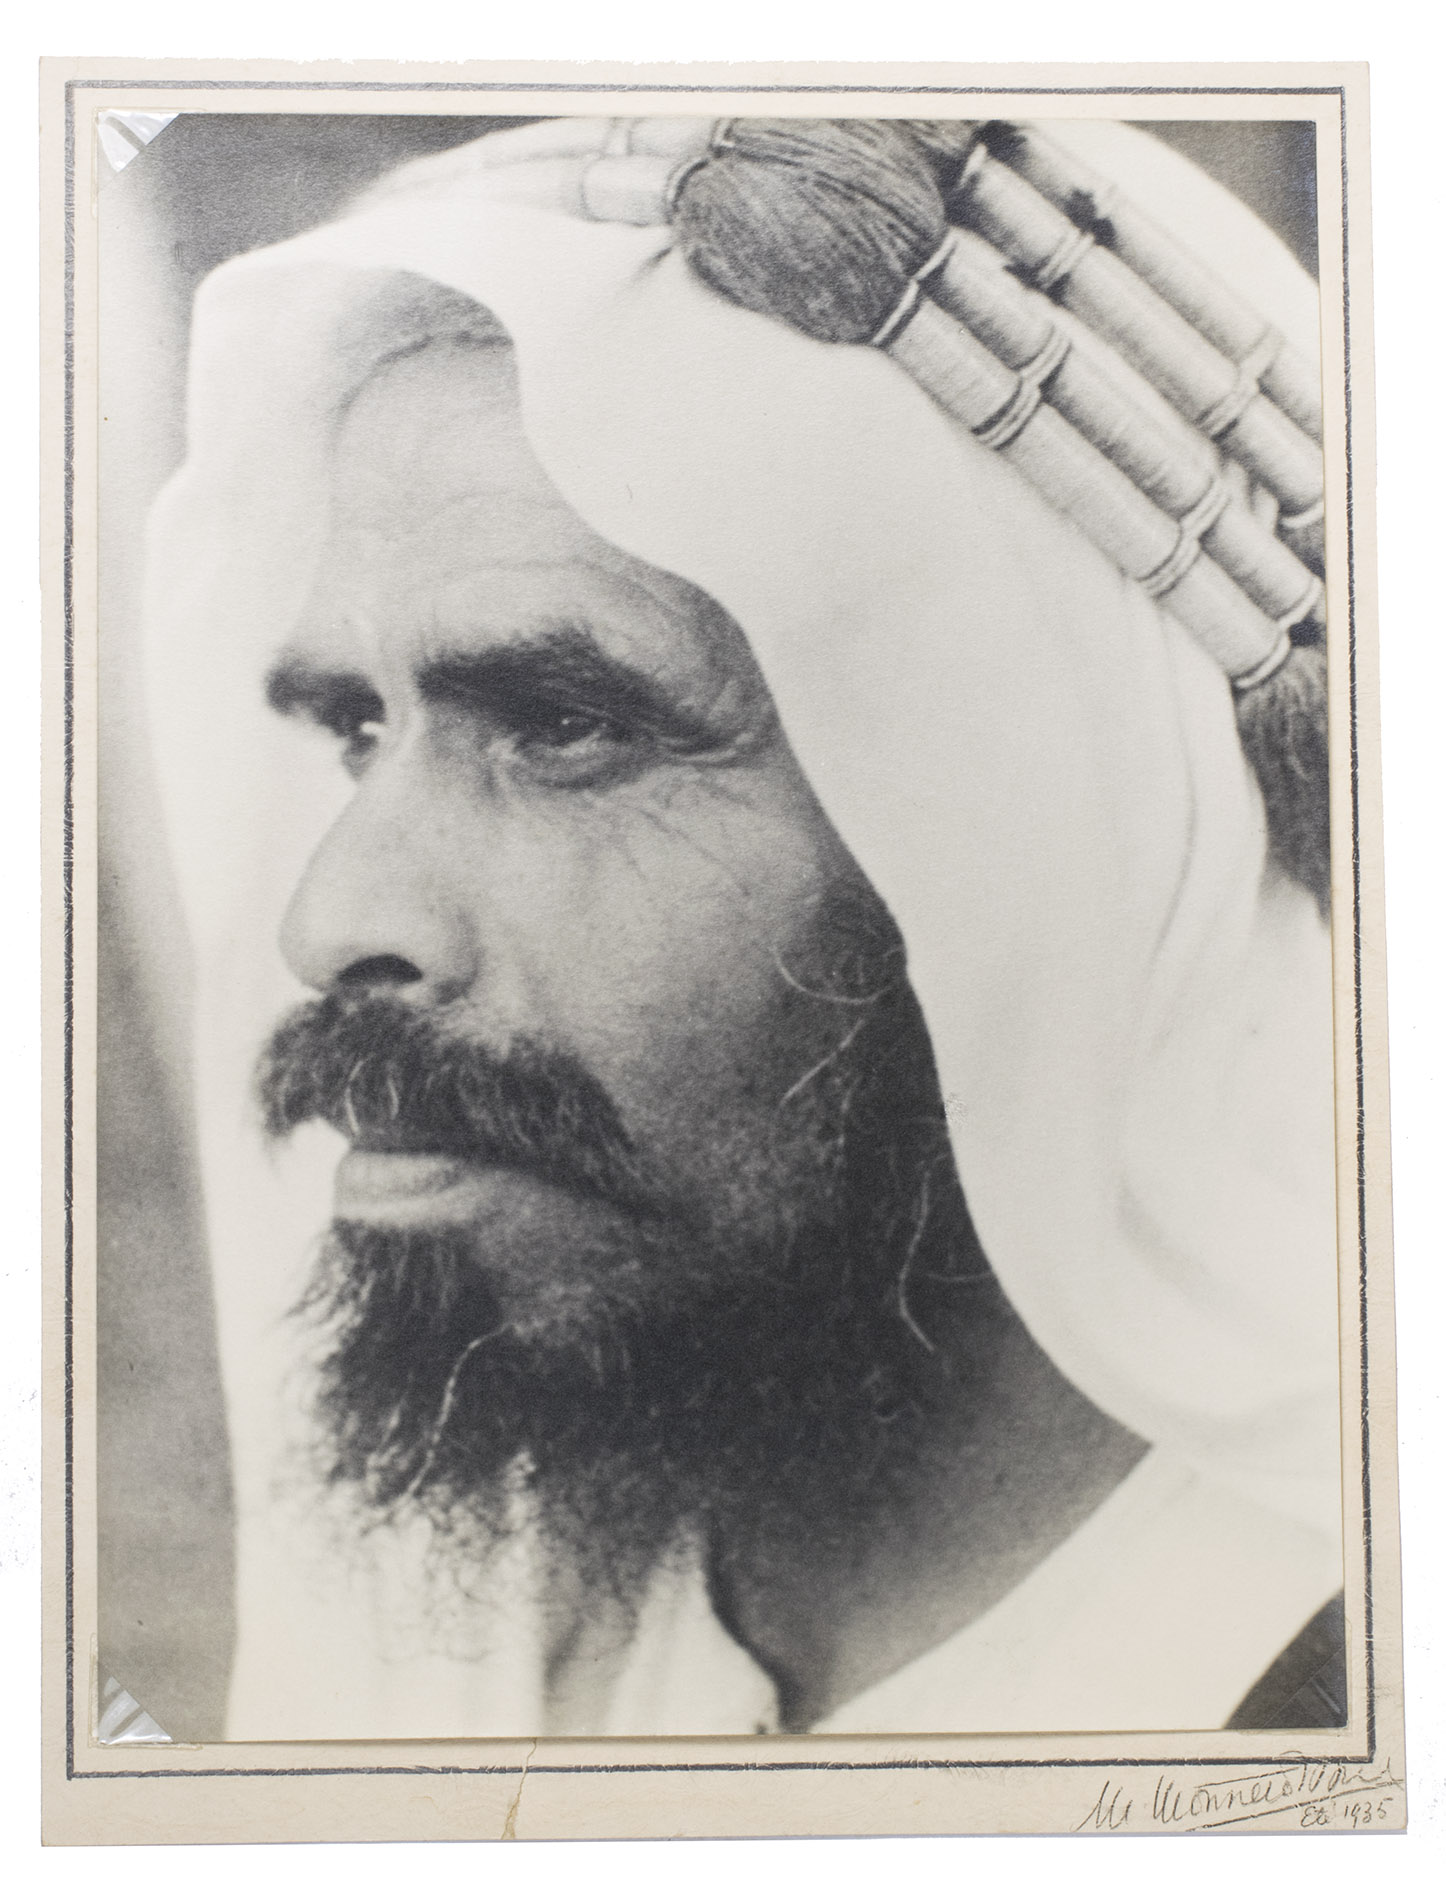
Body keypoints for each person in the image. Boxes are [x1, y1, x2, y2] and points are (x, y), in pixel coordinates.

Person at [142, 116, 1344, 1738]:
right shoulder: (514, 1562)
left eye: (568, 725)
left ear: (1031, 848)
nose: (334, 918)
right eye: (358, 728)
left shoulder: (1336, 1681)